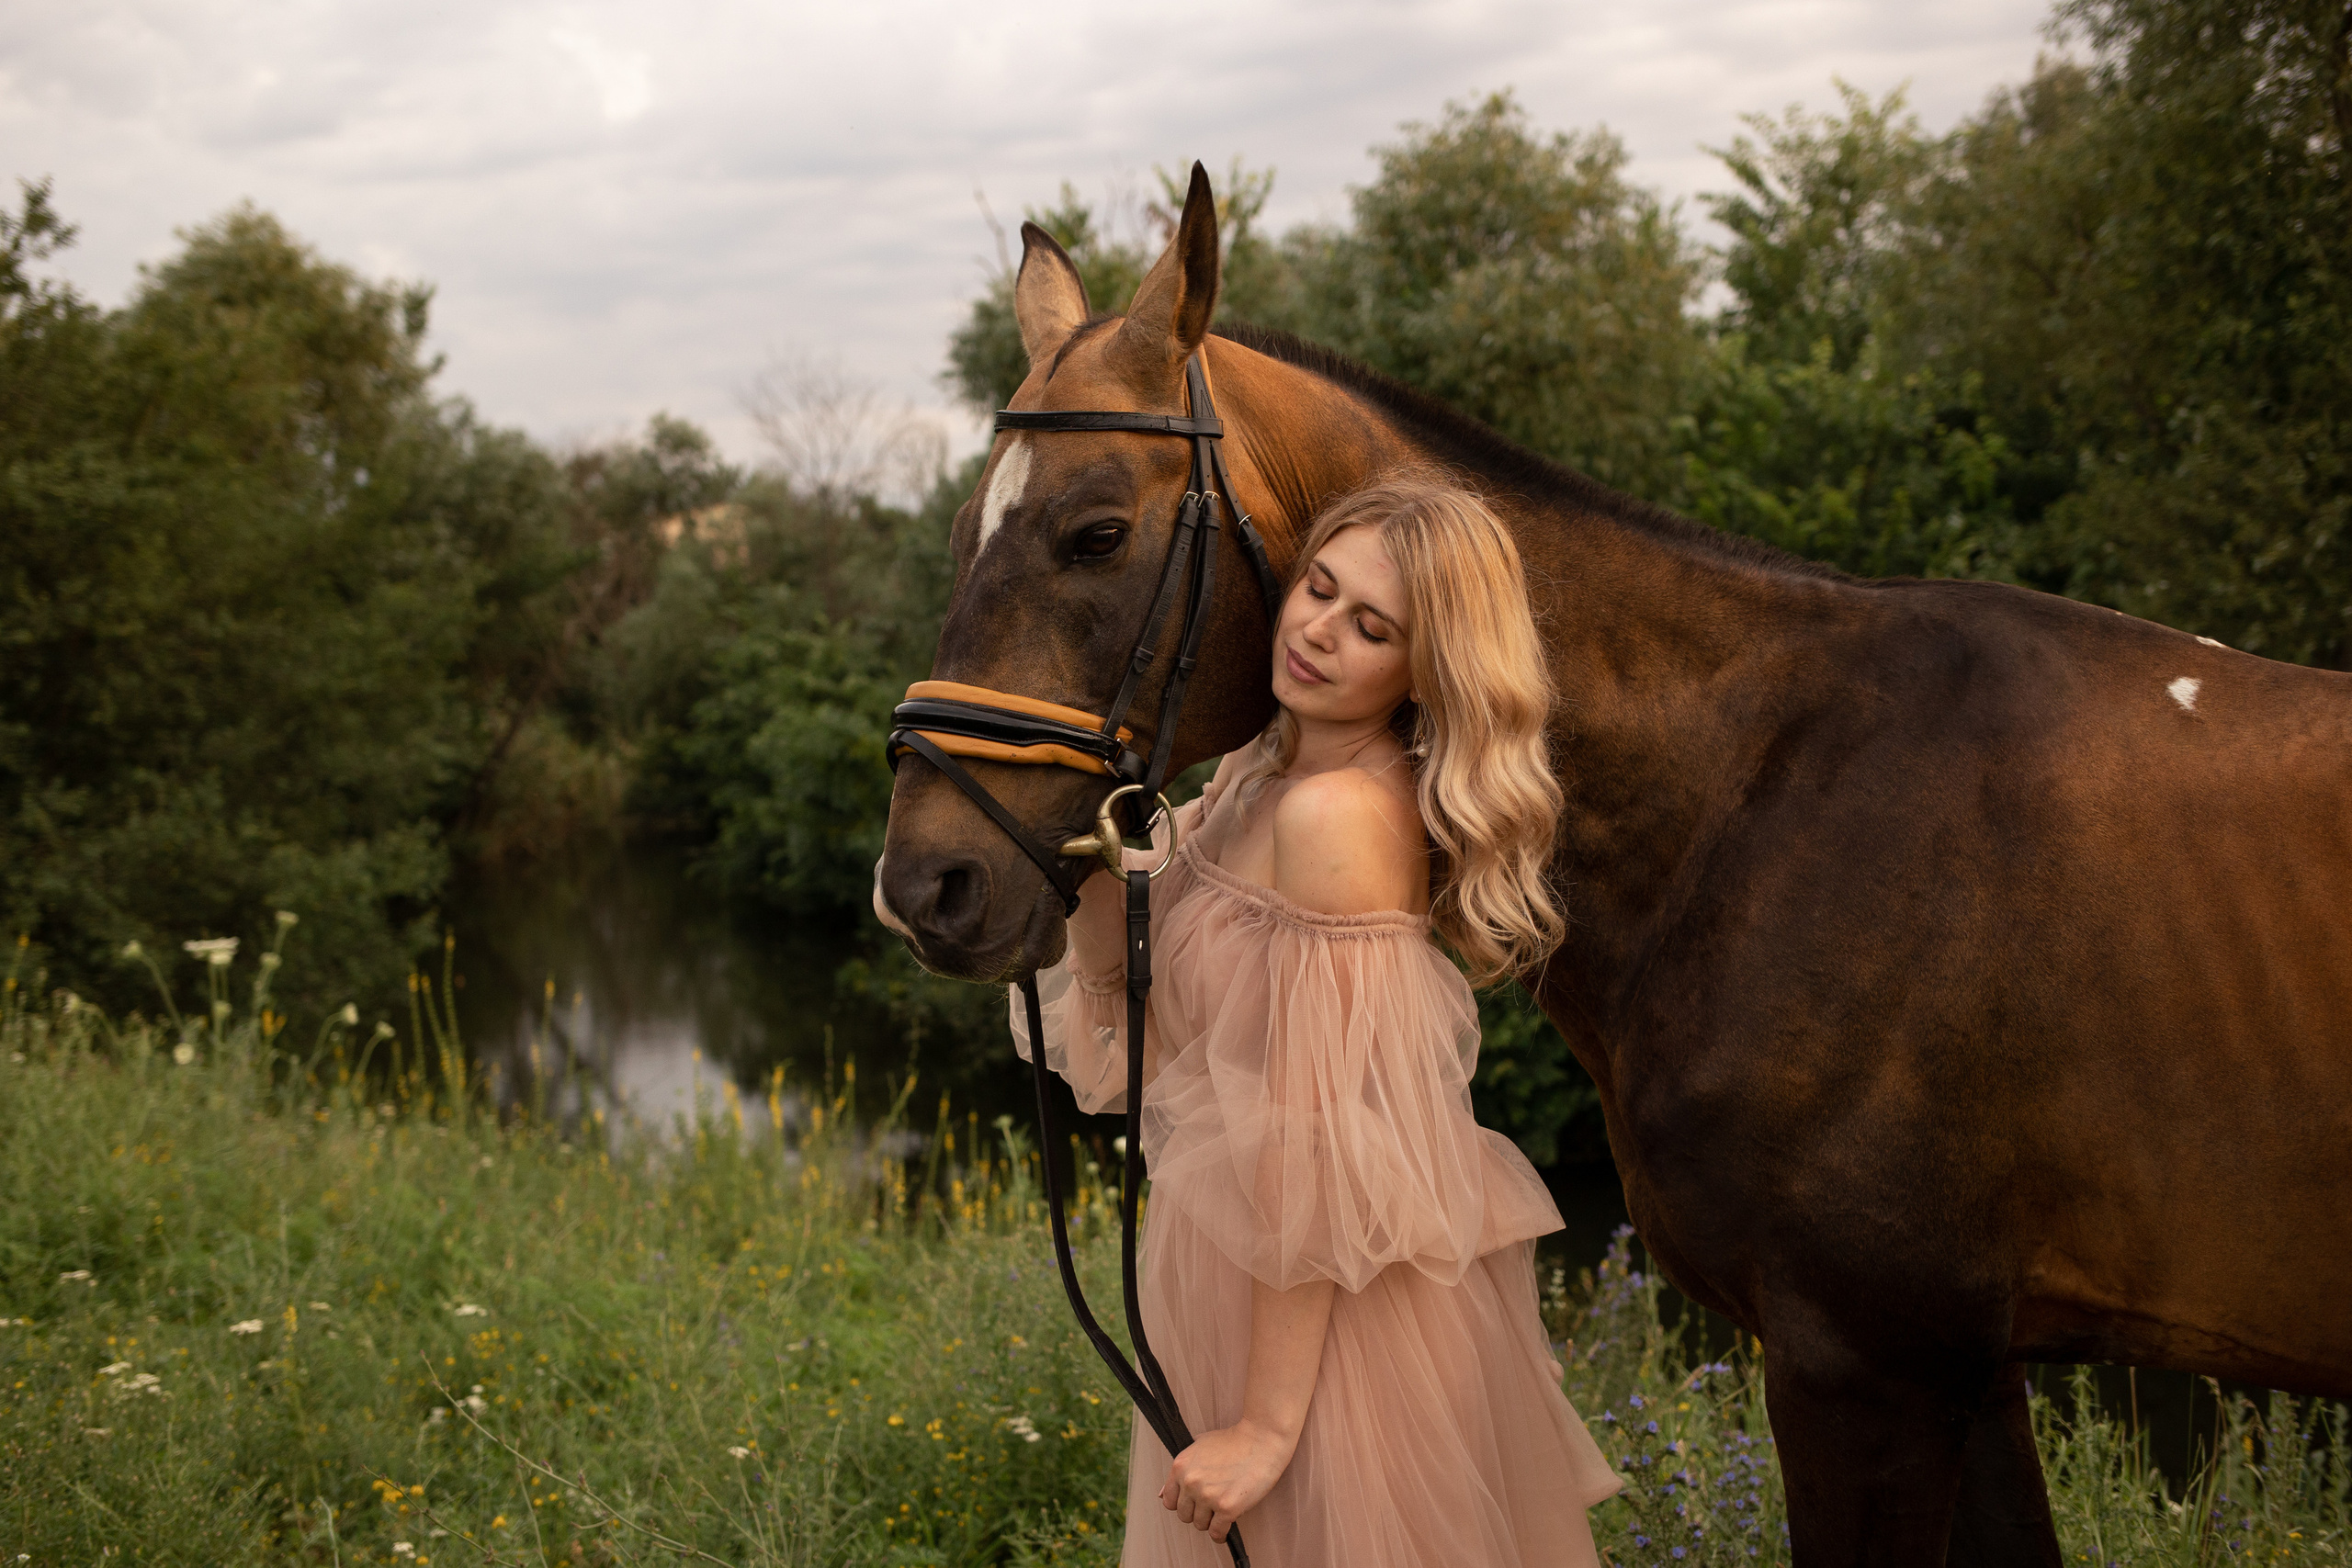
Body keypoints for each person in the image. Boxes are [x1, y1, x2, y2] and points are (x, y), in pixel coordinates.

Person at [1012, 476, 1623, 1566]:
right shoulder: (1258, 767)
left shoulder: (1336, 815)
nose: (1319, 631)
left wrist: (1268, 1427)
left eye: (1371, 626)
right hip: (1230, 1268)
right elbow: (1145, 1034)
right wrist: (1076, 840)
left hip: (1332, 1322)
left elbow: (1314, 1145)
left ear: (1423, 670)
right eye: (1319, 590)